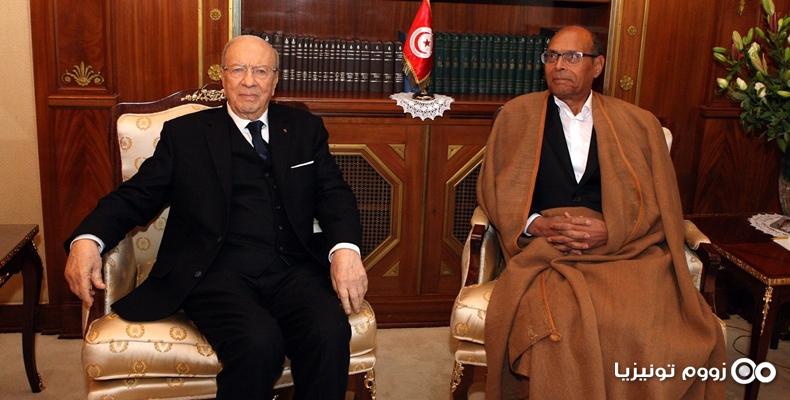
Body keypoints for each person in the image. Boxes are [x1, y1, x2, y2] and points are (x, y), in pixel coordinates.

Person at [64, 35, 367, 400]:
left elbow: (334, 194)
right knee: (258, 343)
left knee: (329, 331)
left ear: (275, 80)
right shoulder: (185, 136)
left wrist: (345, 249)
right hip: (214, 272)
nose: (249, 81)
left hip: (292, 268)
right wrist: (87, 240)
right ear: (223, 77)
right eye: (238, 69)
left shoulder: (304, 128)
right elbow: (136, 196)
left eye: (260, 71)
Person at [477, 26, 725, 399]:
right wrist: (536, 224)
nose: (559, 65)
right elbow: (495, 190)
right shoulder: (516, 116)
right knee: (560, 321)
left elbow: (659, 201)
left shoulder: (637, 123)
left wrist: (612, 229)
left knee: (643, 322)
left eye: (572, 57)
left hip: (624, 248)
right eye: (552, 56)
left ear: (597, 66)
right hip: (549, 249)